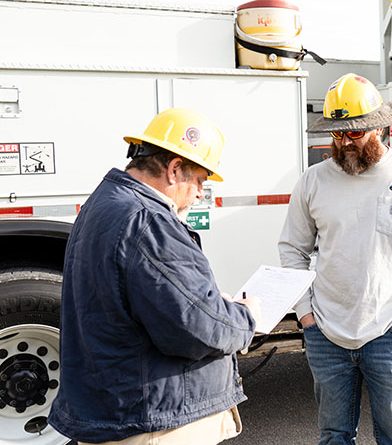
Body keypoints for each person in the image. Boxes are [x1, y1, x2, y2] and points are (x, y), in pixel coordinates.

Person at [49, 108, 261, 445]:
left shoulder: (103, 203)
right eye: (201, 180)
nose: (199, 193)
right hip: (153, 423)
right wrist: (245, 316)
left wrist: (202, 300)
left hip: (119, 409)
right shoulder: (149, 222)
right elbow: (197, 328)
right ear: (175, 169)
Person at [278, 73, 392, 445]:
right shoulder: (312, 182)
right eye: (338, 133)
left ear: (380, 128)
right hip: (326, 333)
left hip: (391, 333)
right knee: (333, 436)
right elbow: (292, 250)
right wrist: (305, 314)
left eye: (354, 133)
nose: (344, 142)